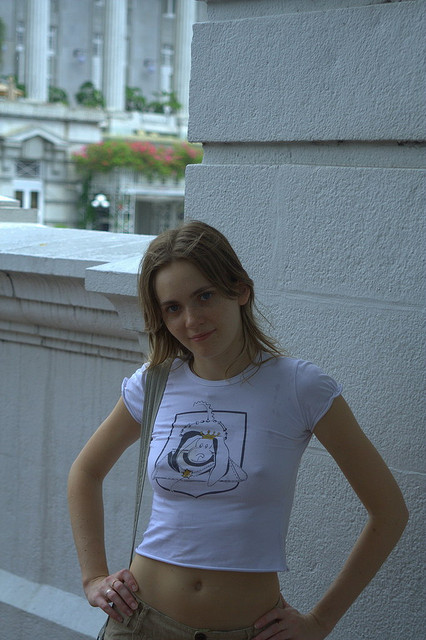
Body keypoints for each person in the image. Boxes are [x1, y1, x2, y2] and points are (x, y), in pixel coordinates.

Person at [68, 220, 408, 640]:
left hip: (248, 630)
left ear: (240, 289)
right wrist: (93, 577)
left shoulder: (301, 387)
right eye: (172, 307)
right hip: (140, 622)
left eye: (204, 296)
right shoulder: (153, 383)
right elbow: (85, 472)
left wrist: (321, 621)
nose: (192, 320)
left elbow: (390, 512)